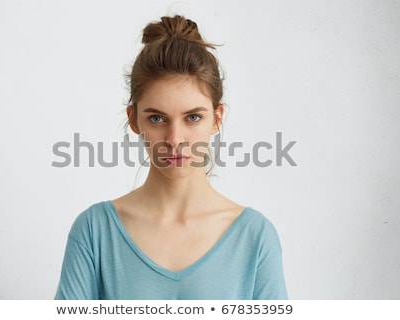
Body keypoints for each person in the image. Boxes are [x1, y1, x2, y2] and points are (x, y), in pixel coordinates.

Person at [55, 15, 288, 300]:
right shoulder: (94, 232)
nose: (175, 139)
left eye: (193, 117)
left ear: (216, 119)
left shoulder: (255, 238)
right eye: (157, 118)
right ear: (134, 120)